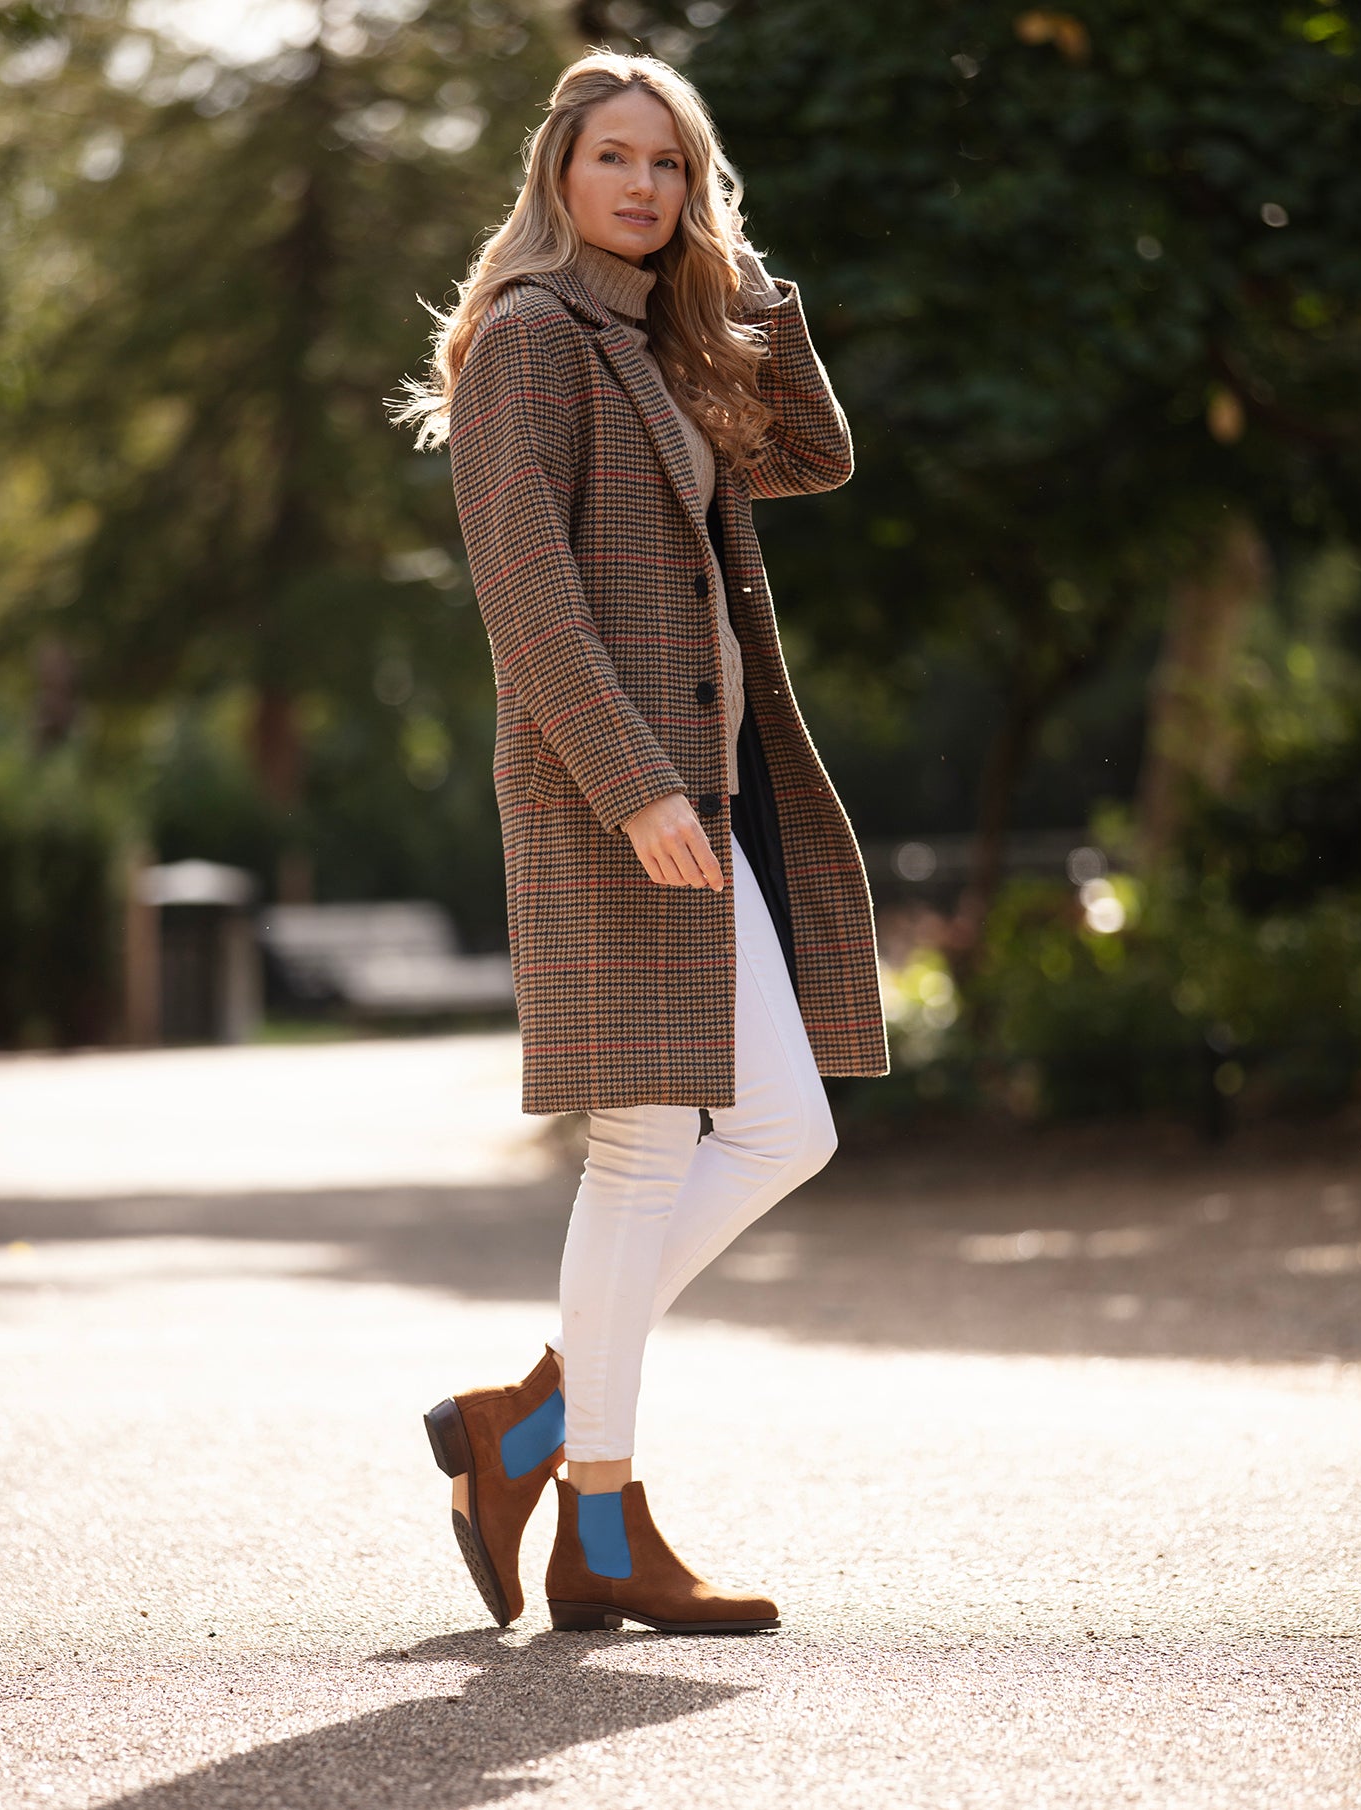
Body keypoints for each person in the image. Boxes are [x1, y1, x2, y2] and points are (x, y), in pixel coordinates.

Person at [386, 50, 888, 1635]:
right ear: (558, 174)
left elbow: (813, 455)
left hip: (698, 789)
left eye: (672, 165)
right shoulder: (534, 339)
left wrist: (746, 284)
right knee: (667, 1144)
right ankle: (587, 1500)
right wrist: (634, 785)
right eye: (617, 158)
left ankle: (537, 1434)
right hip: (623, 799)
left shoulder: (661, 346)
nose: (645, 188)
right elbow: (526, 589)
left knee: (760, 1130)